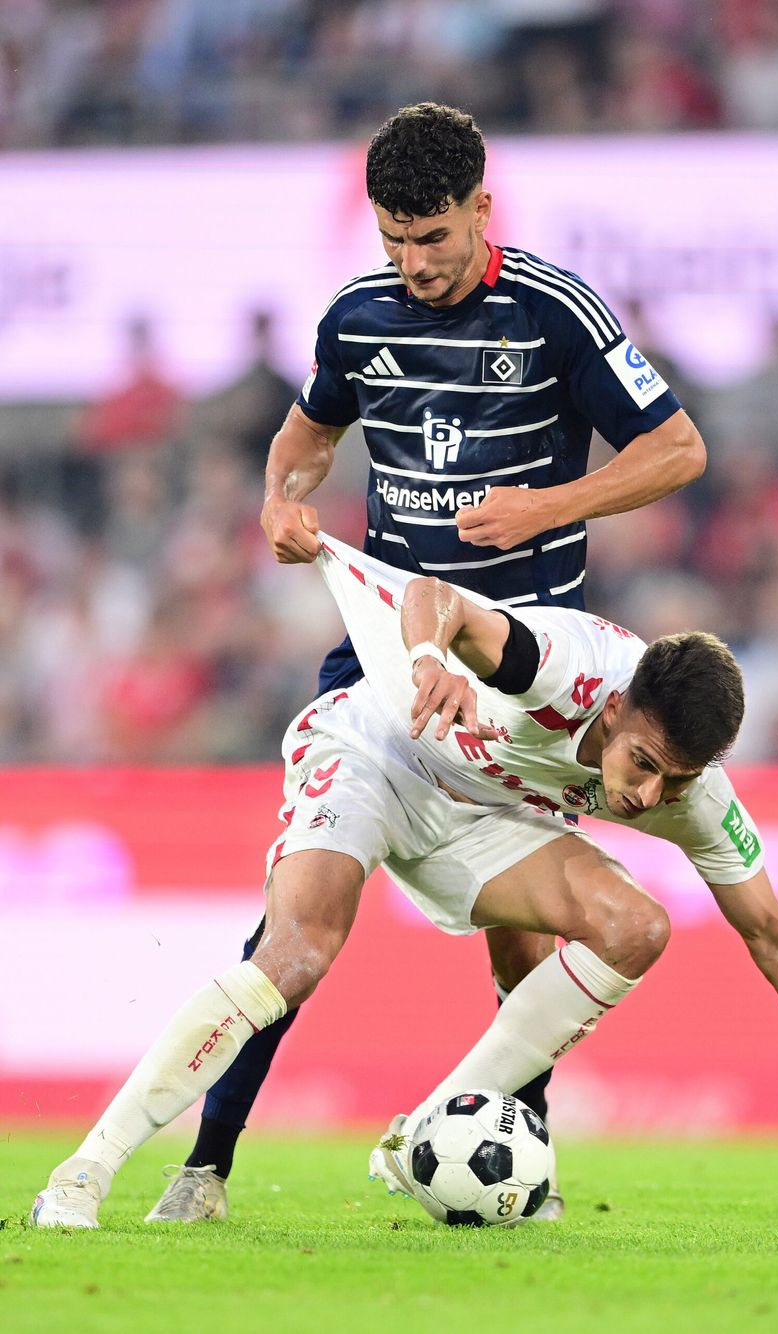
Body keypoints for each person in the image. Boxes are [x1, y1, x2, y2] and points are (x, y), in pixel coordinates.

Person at [30, 535, 778, 1229]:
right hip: (377, 751)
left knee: (637, 926)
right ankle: (85, 1171)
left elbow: (771, 930)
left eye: (675, 780)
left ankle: (423, 1133)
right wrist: (432, 657)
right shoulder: (563, 665)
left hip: (480, 816)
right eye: (642, 763)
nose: (648, 797)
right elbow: (436, 596)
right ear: (616, 709)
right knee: (300, 951)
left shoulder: (686, 786)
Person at [143, 100, 707, 1224]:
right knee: (295, 922)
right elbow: (303, 440)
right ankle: (205, 1163)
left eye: (433, 237)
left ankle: (523, 1158)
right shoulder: (358, 319)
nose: (414, 263)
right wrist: (279, 505)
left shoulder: (553, 312)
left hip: (523, 675)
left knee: (523, 937)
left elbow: (677, 448)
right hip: (384, 651)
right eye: (394, 240)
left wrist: (552, 500)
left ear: (479, 210)